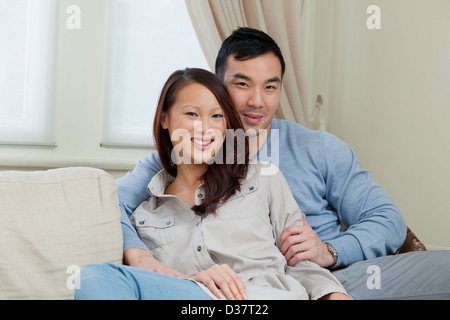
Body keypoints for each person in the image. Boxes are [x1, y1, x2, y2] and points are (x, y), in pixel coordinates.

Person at [117, 27, 450, 300]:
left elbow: (387, 218)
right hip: (257, 287)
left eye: (270, 87)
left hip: (338, 277)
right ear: (218, 86)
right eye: (242, 84)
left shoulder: (318, 148)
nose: (256, 101)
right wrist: (140, 256)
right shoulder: (177, 161)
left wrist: (329, 251)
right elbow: (112, 206)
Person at [75, 68, 350, 300]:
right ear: (165, 120)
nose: (204, 127)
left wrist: (335, 296)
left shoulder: (263, 179)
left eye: (216, 116)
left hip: (264, 297)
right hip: (196, 300)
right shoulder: (145, 217)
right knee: (93, 277)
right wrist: (193, 281)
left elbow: (301, 263)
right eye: (192, 114)